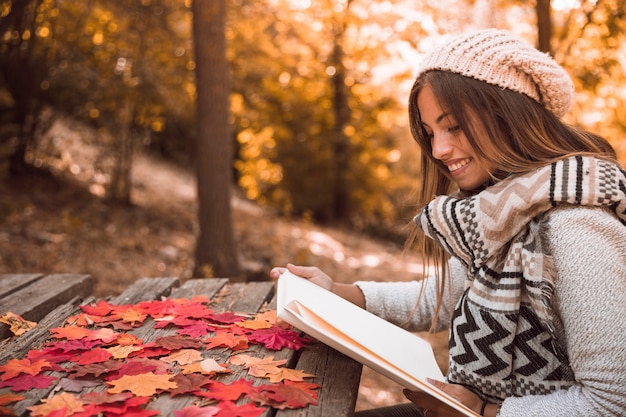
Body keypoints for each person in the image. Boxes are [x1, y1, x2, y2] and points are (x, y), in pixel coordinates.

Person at [270, 28, 626, 417]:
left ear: (509, 115)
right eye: (430, 133)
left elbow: (613, 401)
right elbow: (444, 296)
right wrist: (341, 292)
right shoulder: (504, 211)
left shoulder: (576, 229)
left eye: (453, 126)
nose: (439, 150)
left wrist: (485, 411)